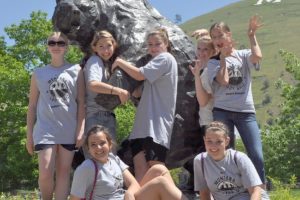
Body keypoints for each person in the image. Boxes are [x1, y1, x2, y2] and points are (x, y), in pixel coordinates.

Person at [205, 15, 266, 185]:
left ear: (229, 35)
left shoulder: (243, 55)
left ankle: (260, 191)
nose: (217, 40)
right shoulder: (212, 63)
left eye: (220, 35)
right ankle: (232, 190)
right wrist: (223, 58)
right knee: (226, 154)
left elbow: (258, 57)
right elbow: (224, 81)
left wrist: (252, 35)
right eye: (214, 37)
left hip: (246, 112)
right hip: (222, 112)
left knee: (256, 154)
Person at [111, 28, 178, 182]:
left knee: (157, 169)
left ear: (166, 44)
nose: (153, 48)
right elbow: (138, 92)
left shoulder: (166, 58)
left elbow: (139, 74)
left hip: (156, 126)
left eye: (157, 44)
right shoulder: (156, 65)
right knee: (141, 171)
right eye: (150, 45)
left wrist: (120, 62)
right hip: (142, 126)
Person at [26, 31, 85, 200]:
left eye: (61, 43)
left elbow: (81, 101)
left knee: (63, 172)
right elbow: (32, 106)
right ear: (47, 47)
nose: (56, 46)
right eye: (52, 42)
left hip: (68, 128)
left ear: (67, 47)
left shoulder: (76, 70)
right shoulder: (38, 73)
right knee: (45, 172)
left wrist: (81, 129)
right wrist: (29, 135)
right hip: (45, 129)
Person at [70, 125, 188, 200]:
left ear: (110, 144)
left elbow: (134, 184)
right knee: (160, 183)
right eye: (93, 145)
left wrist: (129, 194)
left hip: (125, 198)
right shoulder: (86, 168)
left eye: (102, 143)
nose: (98, 148)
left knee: (159, 169)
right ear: (88, 150)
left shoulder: (113, 159)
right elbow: (74, 198)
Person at [194, 121, 269, 200]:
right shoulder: (200, 161)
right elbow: (204, 193)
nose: (213, 146)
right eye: (209, 141)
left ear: (227, 141)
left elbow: (255, 191)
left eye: (219, 141)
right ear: (204, 140)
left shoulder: (239, 158)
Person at [84, 30, 130, 142]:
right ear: (94, 48)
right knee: (99, 157)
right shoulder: (95, 61)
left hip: (106, 116)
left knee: (108, 158)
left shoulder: (105, 65)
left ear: (114, 45)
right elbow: (93, 84)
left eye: (109, 46)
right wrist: (119, 91)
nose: (106, 50)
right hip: (96, 117)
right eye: (101, 46)